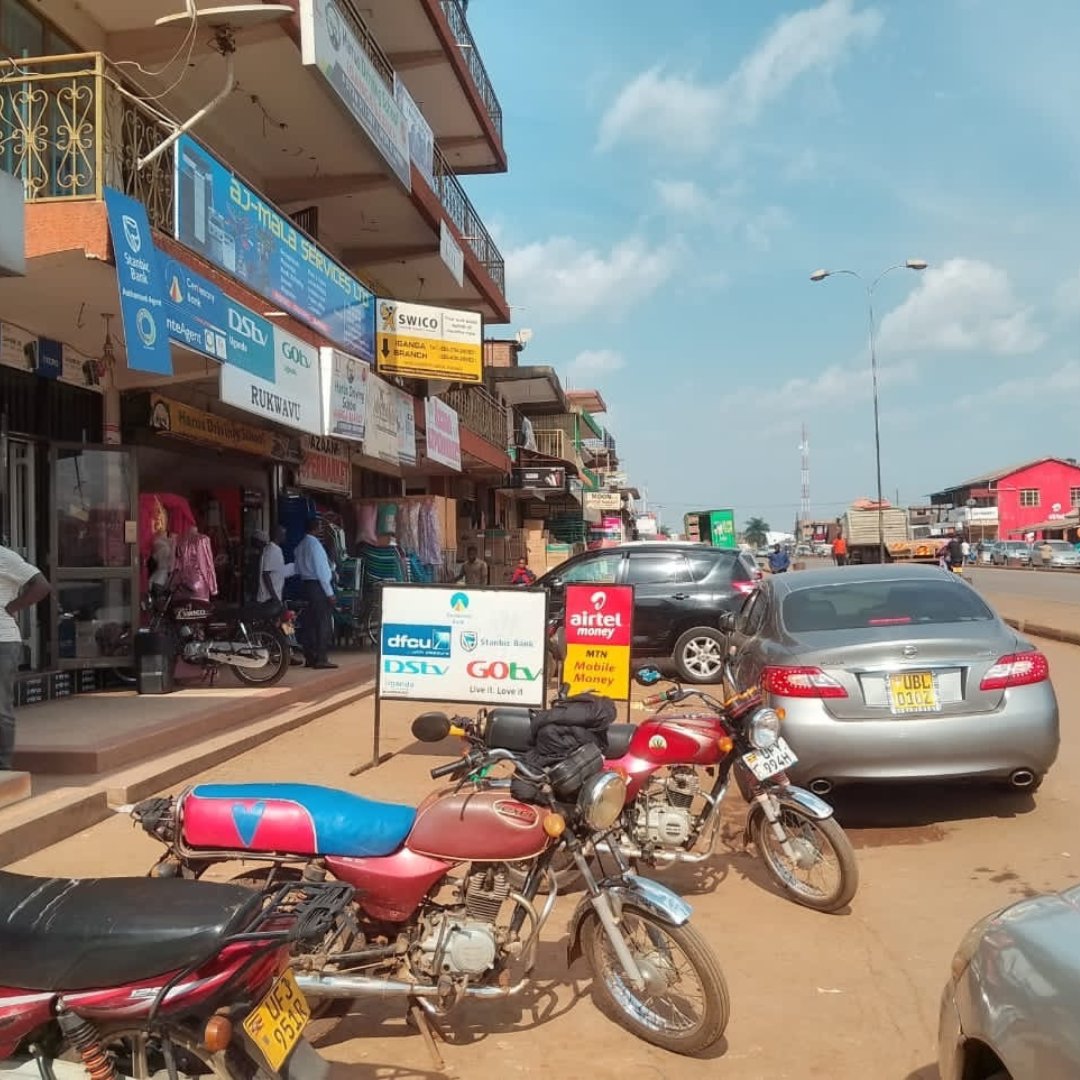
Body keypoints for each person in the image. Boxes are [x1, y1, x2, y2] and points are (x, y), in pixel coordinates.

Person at [1, 544, 51, 771]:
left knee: (0, 706)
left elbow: (42, 585)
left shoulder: (5, 557)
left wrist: (13, 607)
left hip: (2, 641)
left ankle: (3, 766)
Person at [294, 520, 337, 670]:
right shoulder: (315, 546)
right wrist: (330, 593)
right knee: (322, 623)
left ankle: (310, 657)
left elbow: (297, 568)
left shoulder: (300, 546)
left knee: (308, 624)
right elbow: (323, 572)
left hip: (305, 586)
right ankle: (321, 658)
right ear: (317, 529)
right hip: (318, 587)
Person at [255, 527, 294, 604]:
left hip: (271, 597)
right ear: (277, 536)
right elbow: (266, 575)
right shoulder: (272, 550)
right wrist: (275, 598)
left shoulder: (273, 549)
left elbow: (276, 571)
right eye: (283, 534)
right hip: (268, 599)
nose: (285, 537)